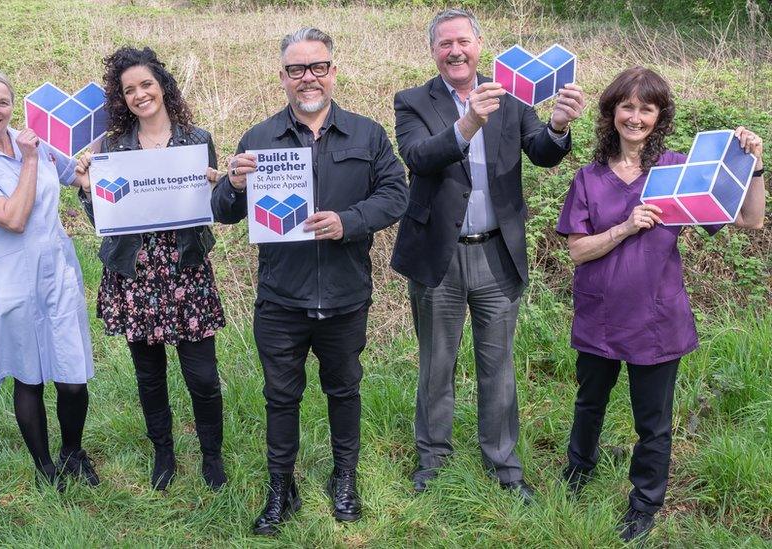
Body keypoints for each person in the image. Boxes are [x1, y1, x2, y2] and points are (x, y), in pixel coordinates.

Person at [556, 67, 765, 542]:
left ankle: (644, 504)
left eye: (645, 108)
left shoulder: (676, 172)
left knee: (653, 423)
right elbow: (577, 250)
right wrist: (626, 227)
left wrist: (755, 165)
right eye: (625, 107)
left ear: (659, 116)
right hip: (600, 316)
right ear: (610, 114)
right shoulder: (589, 179)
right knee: (589, 403)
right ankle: (578, 473)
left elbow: (750, 221)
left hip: (656, 320)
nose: (635, 117)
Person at [212, 27, 408, 534]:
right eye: (297, 69)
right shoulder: (258, 140)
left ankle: (345, 479)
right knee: (281, 396)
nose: (308, 78)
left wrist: (351, 221)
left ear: (333, 71)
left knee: (344, 390)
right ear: (282, 77)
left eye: (317, 67)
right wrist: (233, 185)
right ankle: (282, 487)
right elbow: (225, 213)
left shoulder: (367, 135)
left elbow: (396, 193)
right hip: (281, 299)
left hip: (345, 295)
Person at [390, 8, 585, 499]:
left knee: (498, 367)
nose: (454, 50)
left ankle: (505, 468)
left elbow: (540, 151)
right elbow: (419, 156)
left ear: (480, 44)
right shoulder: (413, 101)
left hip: (498, 254)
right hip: (440, 256)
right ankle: (433, 462)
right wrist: (470, 120)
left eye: (462, 41)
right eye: (443, 43)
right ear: (433, 51)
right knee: (437, 363)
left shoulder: (513, 94)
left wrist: (558, 126)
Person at [75, 46, 228, 491]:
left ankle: (211, 456)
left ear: (162, 86)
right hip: (135, 275)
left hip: (186, 271)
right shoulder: (112, 148)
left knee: (202, 375)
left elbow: (216, 209)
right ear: (121, 100)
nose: (140, 94)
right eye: (129, 90)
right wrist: (88, 190)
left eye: (146, 84)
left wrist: (219, 189)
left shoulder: (197, 139)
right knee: (149, 374)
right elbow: (105, 222)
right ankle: (163, 452)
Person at [0, 69, 98, 491]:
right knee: (28, 375)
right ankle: (45, 466)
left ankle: (73, 452)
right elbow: (12, 219)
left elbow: (80, 176)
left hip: (58, 270)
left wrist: (100, 163)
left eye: (3, 102)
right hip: (13, 276)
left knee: (71, 374)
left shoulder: (36, 136)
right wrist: (30, 160)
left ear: (13, 105)